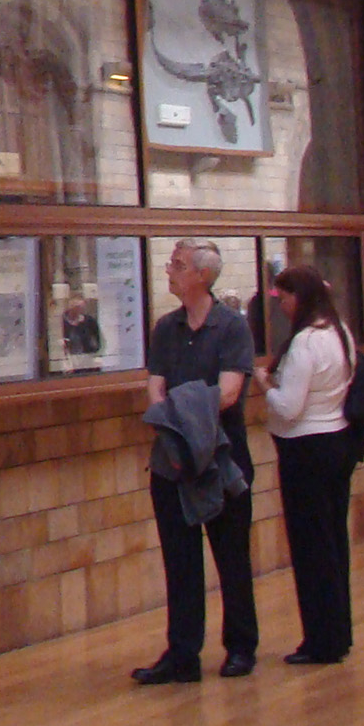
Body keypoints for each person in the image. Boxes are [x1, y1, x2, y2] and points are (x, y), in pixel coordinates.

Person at [135, 239, 258, 684]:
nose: (169, 270)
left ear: (202, 276)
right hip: (173, 459)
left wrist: (178, 410)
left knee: (231, 556)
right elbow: (155, 387)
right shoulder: (165, 329)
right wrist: (175, 414)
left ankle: (241, 645)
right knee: (179, 559)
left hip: (220, 457)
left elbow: (227, 394)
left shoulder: (231, 328)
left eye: (179, 264)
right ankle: (183, 652)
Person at [253, 266, 358, 665]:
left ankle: (320, 640)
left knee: (311, 548)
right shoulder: (339, 332)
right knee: (333, 544)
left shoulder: (305, 344)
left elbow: (289, 407)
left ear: (300, 297)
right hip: (337, 441)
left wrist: (265, 383)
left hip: (305, 451)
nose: (280, 304)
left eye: (284, 296)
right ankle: (338, 633)